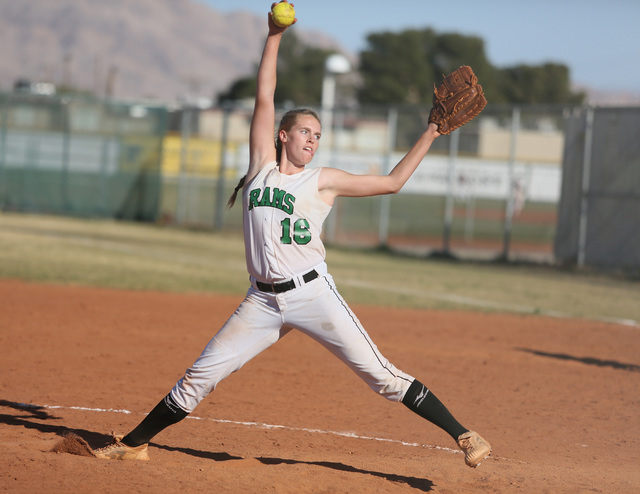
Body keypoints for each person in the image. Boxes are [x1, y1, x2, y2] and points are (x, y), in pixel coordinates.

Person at [94, 1, 491, 468]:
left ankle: (465, 436)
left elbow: (391, 182)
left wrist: (431, 131)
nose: (312, 140)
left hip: (312, 294)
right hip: (261, 301)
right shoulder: (261, 167)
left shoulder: (321, 180)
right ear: (283, 135)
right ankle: (135, 443)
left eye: (318, 135)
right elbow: (265, 95)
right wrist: (274, 35)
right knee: (200, 375)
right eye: (304, 131)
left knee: (380, 375)